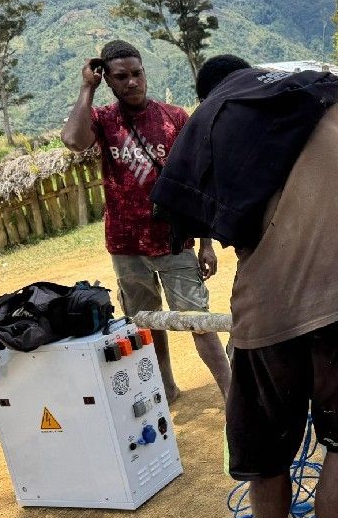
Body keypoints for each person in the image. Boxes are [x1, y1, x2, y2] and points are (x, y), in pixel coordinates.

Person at [158, 55, 338, 518]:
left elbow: (196, 219)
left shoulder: (214, 127)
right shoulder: (327, 97)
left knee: (266, 452)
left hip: (261, 313)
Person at [60, 40, 231, 402]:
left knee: (198, 319)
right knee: (148, 323)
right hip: (126, 246)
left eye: (137, 74)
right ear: (108, 80)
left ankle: (231, 392)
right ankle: (166, 387)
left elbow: (195, 182)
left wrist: (205, 243)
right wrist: (86, 87)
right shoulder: (103, 121)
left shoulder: (174, 118)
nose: (132, 82)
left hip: (175, 240)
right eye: (121, 77)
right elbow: (74, 140)